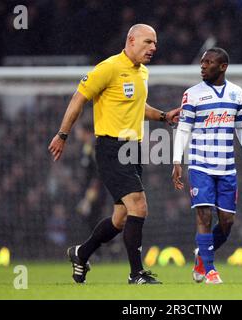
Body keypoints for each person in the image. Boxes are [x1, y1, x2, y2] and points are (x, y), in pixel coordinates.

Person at [48, 24, 180, 285]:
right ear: (131, 40)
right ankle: (136, 274)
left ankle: (80, 253)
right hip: (112, 148)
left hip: (134, 150)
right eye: (147, 42)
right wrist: (62, 135)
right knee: (139, 206)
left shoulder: (142, 72)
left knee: (120, 218)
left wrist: (164, 116)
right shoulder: (108, 68)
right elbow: (78, 98)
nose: (153, 47)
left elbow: (138, 107)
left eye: (155, 43)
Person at [172, 48, 242, 284]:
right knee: (204, 216)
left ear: (222, 67)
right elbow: (183, 129)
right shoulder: (192, 95)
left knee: (227, 222)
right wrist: (176, 160)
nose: (203, 66)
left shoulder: (236, 94)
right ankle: (210, 270)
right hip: (200, 164)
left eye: (209, 62)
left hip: (227, 168)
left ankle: (201, 257)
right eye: (202, 62)